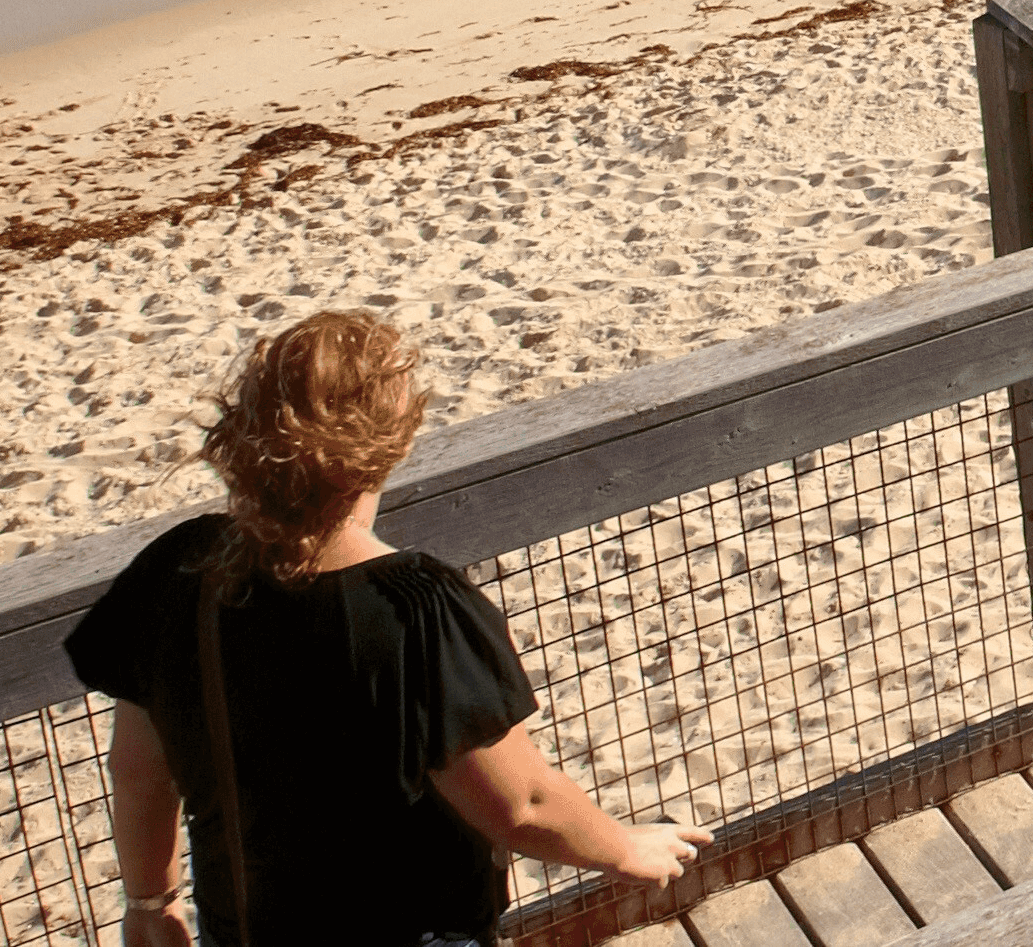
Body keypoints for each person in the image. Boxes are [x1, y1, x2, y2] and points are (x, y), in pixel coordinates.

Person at [72, 311, 704, 947]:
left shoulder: (180, 570)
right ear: (391, 442)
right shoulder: (414, 609)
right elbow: (523, 805)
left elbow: (139, 770)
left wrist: (150, 901)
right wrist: (623, 847)